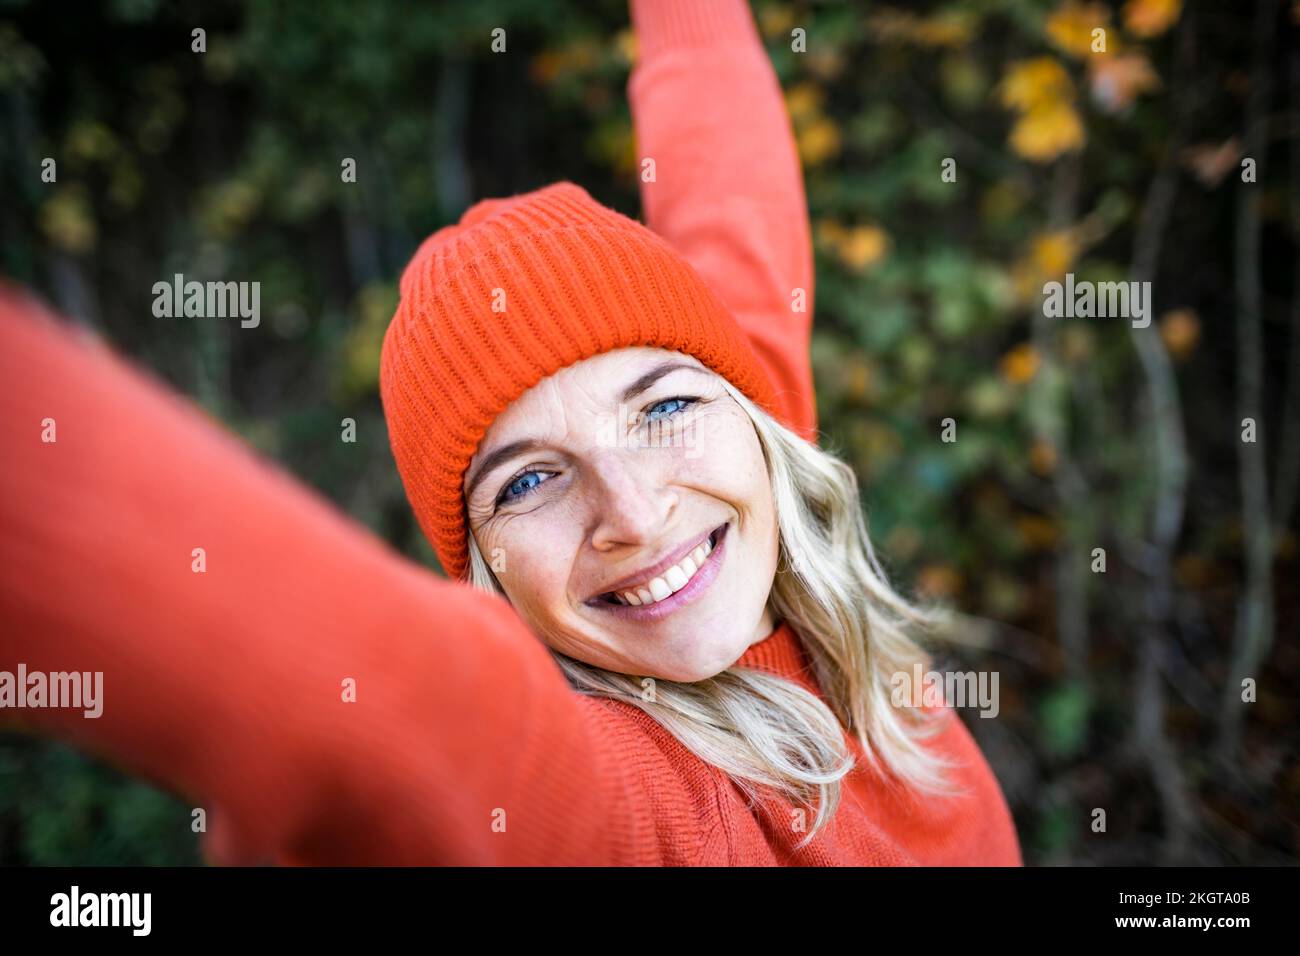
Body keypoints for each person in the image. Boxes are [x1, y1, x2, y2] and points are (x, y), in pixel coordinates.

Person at [0, 0, 1021, 866]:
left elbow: (727, 177)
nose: (635, 509)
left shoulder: (746, 494)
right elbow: (385, 707)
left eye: (662, 407)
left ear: (749, 420)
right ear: (481, 565)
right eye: (528, 482)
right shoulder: (624, 803)